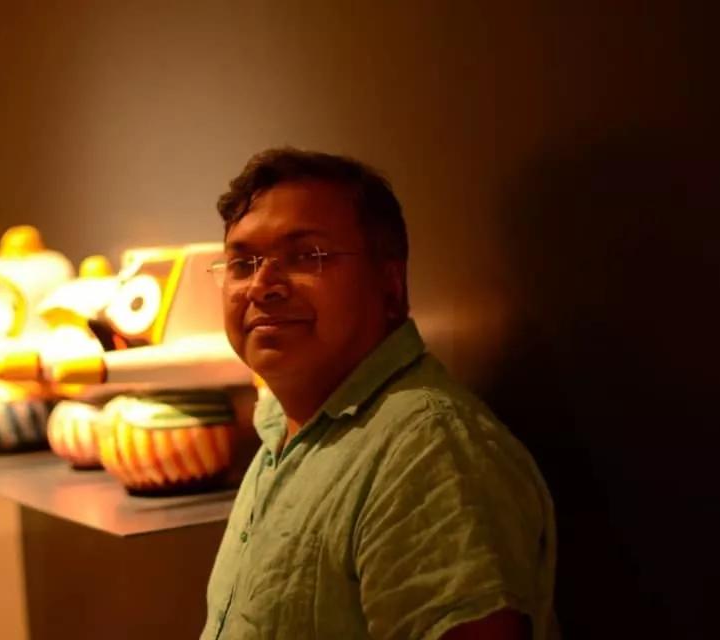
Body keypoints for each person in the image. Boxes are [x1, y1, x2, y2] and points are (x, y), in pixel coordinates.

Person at [201, 148, 558, 639]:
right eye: (242, 263)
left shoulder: (425, 449)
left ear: (390, 286)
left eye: (306, 256)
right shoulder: (280, 433)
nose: (262, 286)